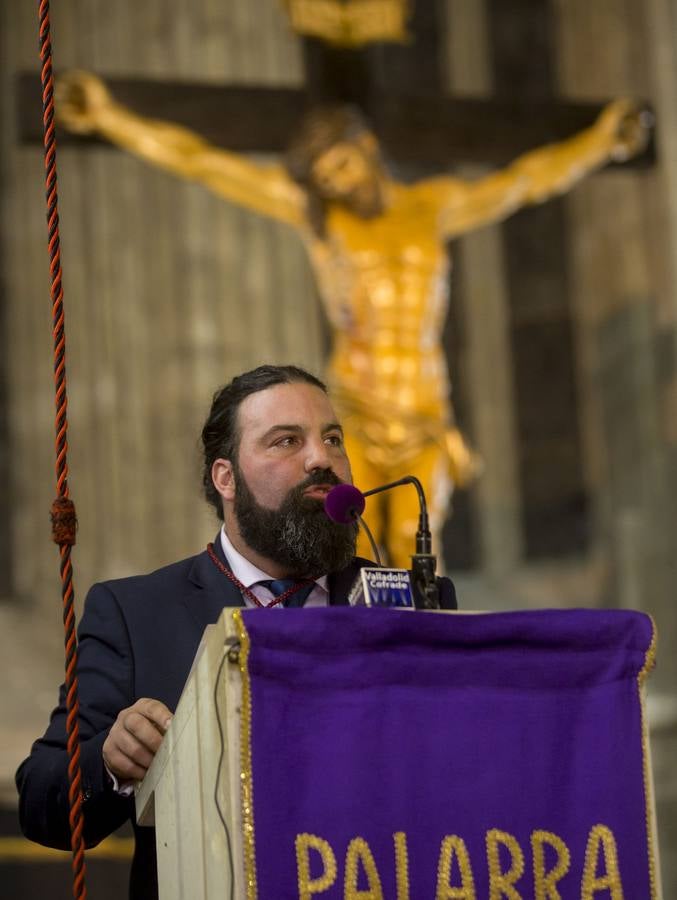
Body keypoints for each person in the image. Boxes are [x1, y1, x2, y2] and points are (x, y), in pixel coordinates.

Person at [55, 72, 652, 566]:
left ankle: (424, 665)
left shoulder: (430, 207)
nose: (337, 183)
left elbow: (522, 181)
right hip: (356, 409)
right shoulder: (325, 224)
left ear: (364, 147)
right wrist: (110, 118)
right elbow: (205, 164)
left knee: (418, 543)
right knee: (351, 536)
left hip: (423, 407)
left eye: (341, 165)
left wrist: (602, 142)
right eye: (325, 179)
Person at [15, 364, 456, 899]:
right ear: (226, 479)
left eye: (332, 439)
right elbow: (43, 804)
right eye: (287, 441)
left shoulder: (414, 598)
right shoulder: (135, 613)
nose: (323, 459)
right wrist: (110, 760)